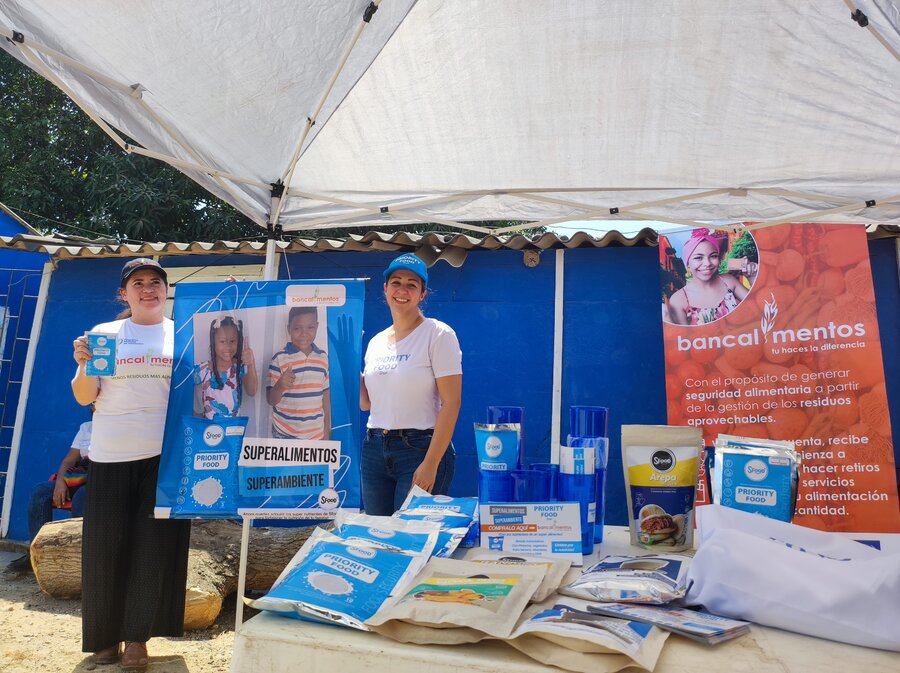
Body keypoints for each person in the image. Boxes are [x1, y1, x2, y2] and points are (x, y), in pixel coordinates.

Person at [71, 258, 190, 671]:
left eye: (155, 282)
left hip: (165, 457)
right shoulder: (105, 335)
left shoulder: (183, 334)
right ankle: (103, 641)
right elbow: (85, 397)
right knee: (104, 549)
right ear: (124, 293)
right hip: (109, 455)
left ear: (166, 290)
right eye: (137, 283)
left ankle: (137, 641)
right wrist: (84, 362)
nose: (147, 288)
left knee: (151, 548)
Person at [360, 253, 462, 515]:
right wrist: (346, 359)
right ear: (385, 288)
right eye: (396, 282)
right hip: (374, 449)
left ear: (422, 294)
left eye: (411, 284)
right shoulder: (375, 342)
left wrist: (431, 463)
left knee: (413, 539)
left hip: (419, 449)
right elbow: (366, 403)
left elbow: (451, 403)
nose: (402, 290)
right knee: (377, 539)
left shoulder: (438, 334)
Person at [3, 416, 92, 575]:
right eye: (92, 404)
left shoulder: (117, 426)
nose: (94, 406)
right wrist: (60, 482)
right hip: (78, 476)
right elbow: (69, 461)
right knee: (40, 492)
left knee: (81, 498)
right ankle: (36, 557)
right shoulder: (86, 427)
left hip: (100, 479)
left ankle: (81, 562)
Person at [667, 229, 758, 325]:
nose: (707, 263)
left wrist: (752, 277)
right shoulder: (678, 300)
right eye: (698, 258)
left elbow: (757, 308)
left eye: (713, 256)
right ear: (688, 264)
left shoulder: (728, 282)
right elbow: (682, 338)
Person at [266, 307, 331, 440]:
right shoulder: (280, 358)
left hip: (316, 437)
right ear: (288, 328)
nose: (304, 333)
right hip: (284, 436)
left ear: (317, 327)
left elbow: (325, 396)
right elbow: (271, 400)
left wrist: (326, 430)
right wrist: (281, 385)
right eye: (297, 328)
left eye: (310, 327)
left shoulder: (323, 358)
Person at [193, 316, 258, 419]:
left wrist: (251, 364)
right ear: (213, 342)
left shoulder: (240, 368)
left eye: (232, 341)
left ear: (238, 342)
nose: (228, 346)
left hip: (233, 431)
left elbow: (252, 391)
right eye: (222, 341)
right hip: (208, 432)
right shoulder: (204, 369)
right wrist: (194, 414)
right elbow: (181, 388)